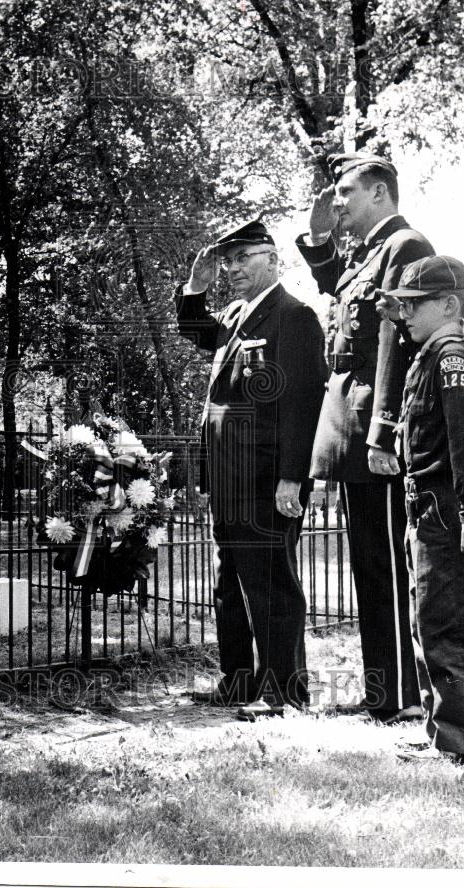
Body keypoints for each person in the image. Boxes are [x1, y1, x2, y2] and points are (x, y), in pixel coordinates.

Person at [297, 153, 434, 723]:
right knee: (370, 565)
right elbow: (340, 292)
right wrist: (316, 236)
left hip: (374, 433)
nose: (338, 201)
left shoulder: (406, 246)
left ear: (379, 193)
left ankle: (400, 693)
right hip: (352, 429)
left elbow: (393, 346)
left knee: (387, 567)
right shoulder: (372, 252)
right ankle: (387, 691)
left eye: (346, 192)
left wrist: (384, 433)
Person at [175, 220, 326, 720]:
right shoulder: (238, 315)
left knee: (270, 584)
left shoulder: (294, 316)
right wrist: (194, 288)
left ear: (273, 260)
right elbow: (196, 331)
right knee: (231, 585)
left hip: (265, 479)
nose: (233, 269)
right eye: (228, 261)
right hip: (229, 478)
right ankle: (239, 681)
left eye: (244, 258)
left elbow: (302, 405)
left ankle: (286, 692)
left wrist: (292, 476)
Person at [378, 256, 464, 768]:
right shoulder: (429, 354)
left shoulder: (451, 358)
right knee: (428, 623)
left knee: (451, 627)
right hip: (426, 510)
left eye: (412, 304)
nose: (403, 313)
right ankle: (439, 731)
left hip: (446, 511)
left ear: (448, 304)